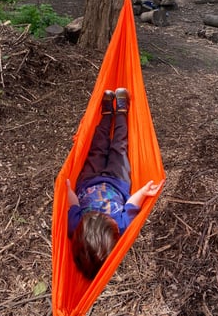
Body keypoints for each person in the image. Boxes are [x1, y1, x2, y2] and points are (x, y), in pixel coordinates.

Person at [67, 87, 163, 279]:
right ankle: (121, 111)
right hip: (117, 181)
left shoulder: (75, 225)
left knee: (98, 145)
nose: (103, 214)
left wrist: (67, 187)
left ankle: (106, 113)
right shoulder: (121, 226)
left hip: (88, 179)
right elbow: (131, 204)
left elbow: (74, 203)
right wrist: (143, 192)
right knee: (119, 145)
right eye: (107, 218)